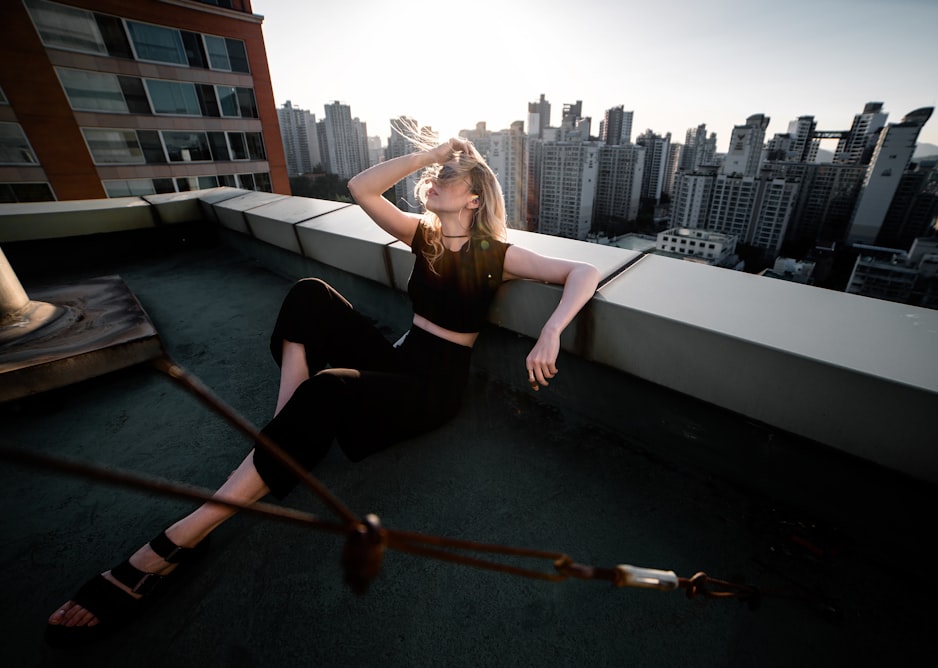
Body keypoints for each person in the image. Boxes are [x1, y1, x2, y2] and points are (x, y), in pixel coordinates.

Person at [45, 135, 601, 647]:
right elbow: (361, 188)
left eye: (447, 179)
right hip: (401, 358)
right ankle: (285, 431)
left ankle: (171, 546)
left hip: (432, 389)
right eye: (435, 177)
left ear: (474, 200)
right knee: (311, 294)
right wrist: (430, 154)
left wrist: (550, 331)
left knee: (330, 388)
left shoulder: (495, 256)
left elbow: (582, 271)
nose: (433, 184)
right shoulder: (423, 235)